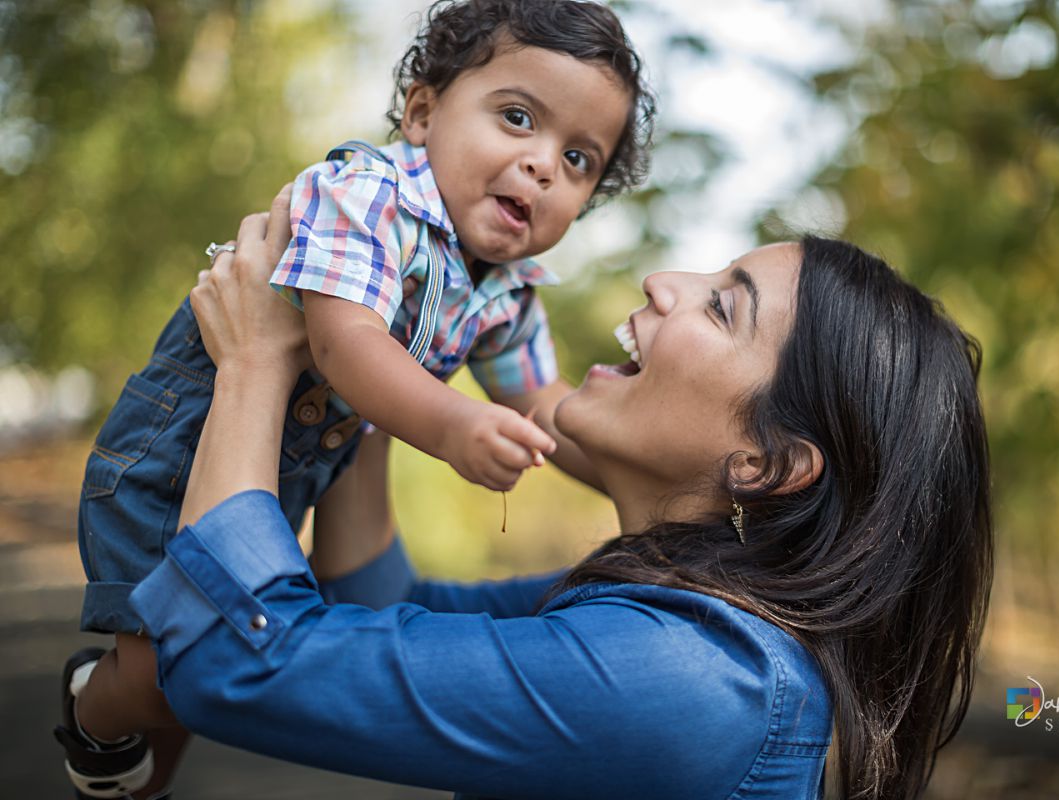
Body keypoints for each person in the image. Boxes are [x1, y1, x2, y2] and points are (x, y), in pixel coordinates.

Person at [121, 192, 993, 799]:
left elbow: (241, 663)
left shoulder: (690, 680)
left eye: (725, 308)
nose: (665, 282)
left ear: (766, 462)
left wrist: (253, 365)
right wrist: (382, 368)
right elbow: (377, 610)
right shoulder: (655, 615)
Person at [56, 1, 655, 797]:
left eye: (579, 159)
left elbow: (545, 401)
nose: (545, 164)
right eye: (517, 118)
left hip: (272, 480)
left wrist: (634, 480)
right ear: (423, 111)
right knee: (175, 668)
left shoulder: (506, 290)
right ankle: (91, 707)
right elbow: (347, 346)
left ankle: (141, 782)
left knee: (195, 687)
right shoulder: (368, 195)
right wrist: (454, 423)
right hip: (178, 458)